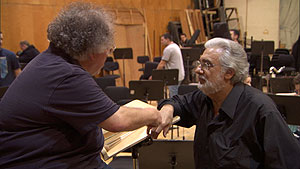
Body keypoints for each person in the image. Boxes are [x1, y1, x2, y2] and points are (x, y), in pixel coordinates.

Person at [0, 2, 161, 169]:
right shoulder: (67, 75)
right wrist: (154, 115)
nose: (108, 55)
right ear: (93, 53)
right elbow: (118, 121)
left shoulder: (50, 61)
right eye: (109, 49)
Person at [152, 38, 300, 168]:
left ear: (229, 73)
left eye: (207, 64)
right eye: (199, 63)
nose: (198, 70)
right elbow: (179, 102)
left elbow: (288, 162)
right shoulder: (205, 97)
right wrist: (168, 108)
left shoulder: (261, 110)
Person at [155, 33, 185, 97]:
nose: (161, 42)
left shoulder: (168, 49)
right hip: (179, 74)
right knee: (174, 93)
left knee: (173, 96)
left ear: (167, 39)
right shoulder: (175, 46)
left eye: (162, 40)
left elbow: (162, 64)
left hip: (173, 76)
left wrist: (154, 74)